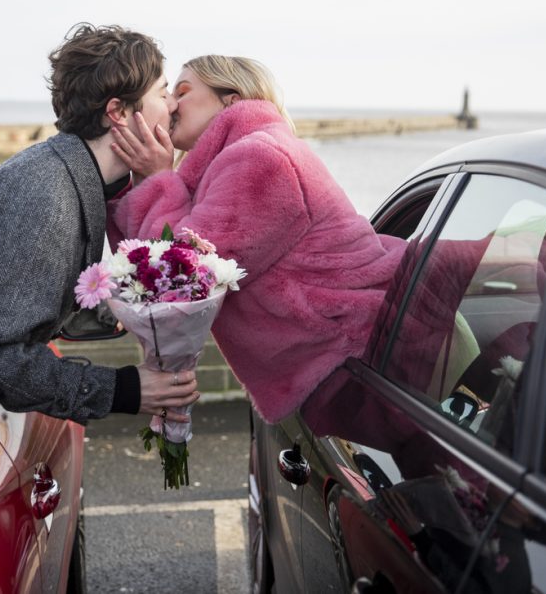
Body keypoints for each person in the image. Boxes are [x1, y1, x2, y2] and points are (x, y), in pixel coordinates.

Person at [0, 23, 200, 425]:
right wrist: (124, 389)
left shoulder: (68, 178)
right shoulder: (46, 195)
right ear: (118, 112)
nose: (174, 105)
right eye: (163, 92)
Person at [107, 55, 407, 425]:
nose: (170, 105)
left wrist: (155, 177)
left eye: (182, 92)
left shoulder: (259, 158)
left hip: (358, 359)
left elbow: (183, 276)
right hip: (351, 360)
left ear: (231, 100)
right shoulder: (235, 160)